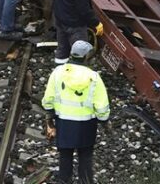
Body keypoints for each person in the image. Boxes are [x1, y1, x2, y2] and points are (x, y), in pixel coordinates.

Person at [42, 41, 110, 184]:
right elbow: (102, 106)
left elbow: (48, 98)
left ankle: (64, 180)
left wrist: (49, 116)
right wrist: (104, 121)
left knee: (65, 155)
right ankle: (85, 181)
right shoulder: (94, 77)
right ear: (86, 56)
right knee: (85, 156)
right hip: (87, 124)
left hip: (64, 123)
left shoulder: (58, 72)